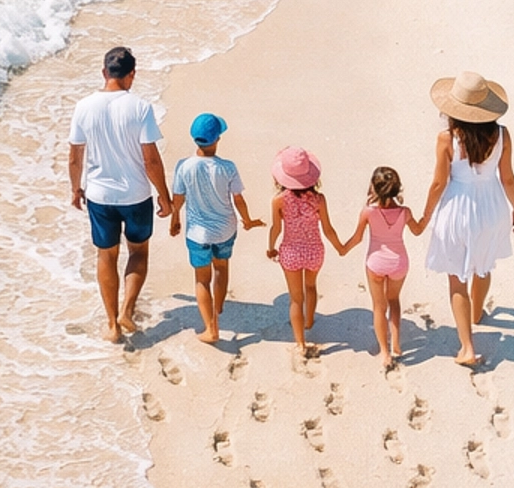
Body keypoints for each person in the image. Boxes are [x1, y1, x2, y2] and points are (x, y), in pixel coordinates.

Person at [68, 44, 174, 343]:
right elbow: (151, 159)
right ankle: (128, 309)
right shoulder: (140, 107)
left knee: (107, 255)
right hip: (136, 195)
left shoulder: (83, 106)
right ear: (132, 75)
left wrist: (76, 188)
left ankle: (112, 324)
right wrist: (164, 197)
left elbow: (75, 156)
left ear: (104, 73)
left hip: (100, 196)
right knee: (138, 251)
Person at [419, 71, 514, 369]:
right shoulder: (501, 134)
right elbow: (508, 178)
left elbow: (439, 183)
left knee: (457, 278)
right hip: (492, 207)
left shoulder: (447, 139)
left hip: (458, 209)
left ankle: (467, 347)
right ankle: (478, 312)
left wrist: (426, 216)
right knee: (483, 263)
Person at [168, 112, 264, 344]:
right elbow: (238, 199)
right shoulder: (227, 167)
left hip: (197, 233)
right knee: (221, 268)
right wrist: (248, 221)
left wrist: (175, 219)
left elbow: (178, 198)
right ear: (217, 139)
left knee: (202, 279)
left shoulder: (184, 166)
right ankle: (218, 307)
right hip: (225, 230)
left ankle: (211, 327)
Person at [266, 146, 344, 357]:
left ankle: (300, 343)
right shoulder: (319, 200)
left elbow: (276, 228)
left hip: (290, 251)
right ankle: (309, 321)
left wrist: (271, 247)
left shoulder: (279, 200)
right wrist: (340, 247)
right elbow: (328, 228)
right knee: (311, 286)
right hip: (314, 251)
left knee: (295, 299)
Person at [342, 165, 420, 372]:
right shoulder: (405, 212)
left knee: (379, 306)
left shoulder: (368, 212)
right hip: (399, 262)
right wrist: (428, 215)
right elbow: (418, 230)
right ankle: (396, 344)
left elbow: (357, 238)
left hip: (376, 262)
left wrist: (342, 249)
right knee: (394, 301)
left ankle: (384, 352)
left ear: (374, 188)